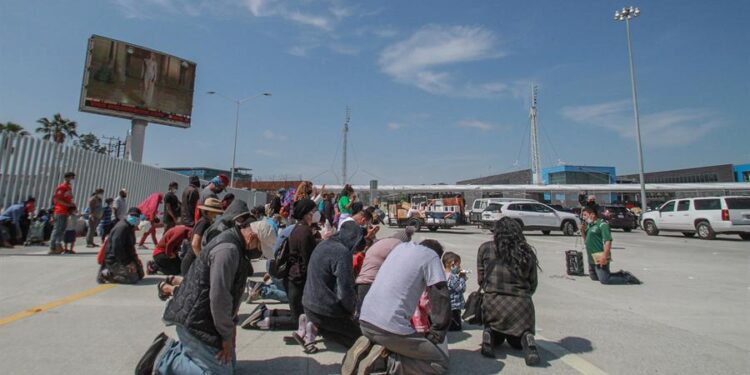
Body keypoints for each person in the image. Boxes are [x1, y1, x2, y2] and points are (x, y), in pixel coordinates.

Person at [144, 216, 265, 375]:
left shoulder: (236, 246)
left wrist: (230, 326)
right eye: (260, 246)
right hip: (195, 320)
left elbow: (229, 296)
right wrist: (227, 335)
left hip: (203, 317)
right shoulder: (228, 251)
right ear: (252, 237)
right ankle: (165, 359)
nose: (259, 252)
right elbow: (219, 298)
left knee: (229, 365)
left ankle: (183, 351)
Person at [346, 240, 450, 375]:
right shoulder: (431, 256)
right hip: (388, 329)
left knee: (405, 343)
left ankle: (372, 348)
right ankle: (384, 362)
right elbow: (441, 297)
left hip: (365, 322)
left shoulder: (400, 248)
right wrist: (437, 333)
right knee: (439, 363)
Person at [477, 217, 540, 364]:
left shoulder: (485, 248)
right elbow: (533, 283)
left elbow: (481, 280)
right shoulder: (526, 251)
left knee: (497, 338)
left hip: (493, 303)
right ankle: (528, 339)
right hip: (521, 306)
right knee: (517, 343)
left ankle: (489, 334)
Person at [301, 221, 364, 352]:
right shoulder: (342, 252)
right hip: (325, 310)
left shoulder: (323, 244)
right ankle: (320, 326)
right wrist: (351, 310)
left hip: (307, 303)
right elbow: (345, 289)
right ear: (353, 240)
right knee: (361, 338)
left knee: (336, 329)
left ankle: (313, 324)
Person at [354, 227, 415, 316]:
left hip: (361, 282)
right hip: (372, 285)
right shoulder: (398, 245)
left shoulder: (382, 242)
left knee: (361, 315)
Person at [284, 199, 321, 343]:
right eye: (313, 210)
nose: (316, 213)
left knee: (298, 310)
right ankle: (304, 334)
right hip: (300, 276)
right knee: (301, 311)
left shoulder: (296, 228)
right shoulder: (305, 232)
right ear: (307, 213)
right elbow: (307, 257)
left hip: (294, 274)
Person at [581, 208, 641, 285]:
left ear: (592, 214)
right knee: (594, 277)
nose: (583, 217)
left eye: (585, 215)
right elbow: (586, 241)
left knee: (605, 280)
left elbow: (608, 241)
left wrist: (604, 256)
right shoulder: (590, 225)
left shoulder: (602, 224)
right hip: (591, 258)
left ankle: (627, 277)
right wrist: (582, 231)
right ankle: (619, 274)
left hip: (599, 256)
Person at [98, 208, 144, 284]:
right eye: (133, 215)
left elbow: (130, 247)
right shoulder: (122, 227)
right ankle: (107, 274)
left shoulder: (130, 227)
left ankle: (119, 271)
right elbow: (117, 248)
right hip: (115, 259)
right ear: (128, 215)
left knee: (140, 274)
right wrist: (127, 263)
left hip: (126, 257)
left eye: (137, 216)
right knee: (133, 279)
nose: (135, 218)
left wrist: (135, 260)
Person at [180, 198, 224, 275]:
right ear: (210, 211)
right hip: (191, 262)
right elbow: (195, 244)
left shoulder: (207, 221)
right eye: (216, 211)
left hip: (193, 260)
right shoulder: (204, 222)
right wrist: (202, 260)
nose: (217, 213)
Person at [49, 171, 76, 254]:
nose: (72, 180)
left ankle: (58, 246)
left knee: (62, 229)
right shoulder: (62, 187)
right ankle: (52, 247)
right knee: (57, 229)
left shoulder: (68, 187)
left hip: (65, 211)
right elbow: (57, 200)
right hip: (60, 211)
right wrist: (68, 205)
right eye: (71, 178)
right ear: (67, 177)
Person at [442, 252, 466, 332]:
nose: (460, 267)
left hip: (447, 303)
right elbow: (461, 288)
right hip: (454, 305)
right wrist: (462, 278)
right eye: (458, 265)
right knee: (456, 326)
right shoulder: (452, 277)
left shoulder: (443, 274)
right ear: (452, 265)